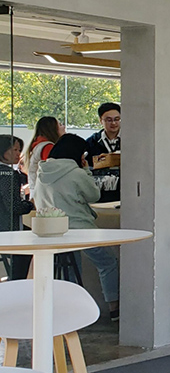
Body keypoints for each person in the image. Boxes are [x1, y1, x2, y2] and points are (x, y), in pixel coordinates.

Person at [34, 134, 121, 320]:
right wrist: (86, 170)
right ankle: (114, 307)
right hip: (81, 230)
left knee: (72, 268)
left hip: (53, 230)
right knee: (107, 263)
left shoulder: (42, 172)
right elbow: (94, 194)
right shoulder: (76, 173)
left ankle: (69, 310)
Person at [0, 135, 35, 281]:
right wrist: (30, 204)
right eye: (14, 149)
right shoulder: (8, 174)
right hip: (7, 229)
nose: (18, 154)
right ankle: (16, 284)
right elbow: (14, 206)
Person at [85, 102, 121, 202]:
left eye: (117, 119)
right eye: (109, 120)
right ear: (101, 120)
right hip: (100, 195)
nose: (113, 123)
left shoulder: (130, 140)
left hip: (124, 193)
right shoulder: (91, 142)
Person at [22, 116, 65, 193]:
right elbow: (53, 171)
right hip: (44, 195)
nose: (64, 127)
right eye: (60, 124)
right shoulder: (48, 147)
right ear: (53, 129)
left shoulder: (37, 146)